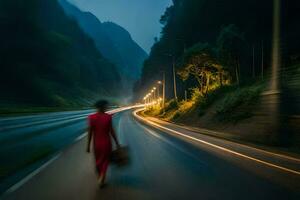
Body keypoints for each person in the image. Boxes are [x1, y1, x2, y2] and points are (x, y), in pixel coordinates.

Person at [86, 100, 120, 188]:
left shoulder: (91, 117)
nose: (107, 107)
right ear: (102, 107)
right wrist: (117, 143)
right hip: (106, 143)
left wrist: (88, 146)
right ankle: (101, 179)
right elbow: (112, 131)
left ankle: (99, 175)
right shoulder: (108, 117)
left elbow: (90, 132)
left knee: (98, 161)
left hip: (96, 144)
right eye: (106, 106)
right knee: (105, 161)